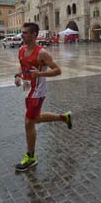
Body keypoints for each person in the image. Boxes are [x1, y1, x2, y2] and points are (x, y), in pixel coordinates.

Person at [14, 22, 72, 172]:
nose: (22, 35)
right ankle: (63, 117)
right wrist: (17, 76)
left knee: (28, 122)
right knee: (36, 118)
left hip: (38, 91)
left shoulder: (42, 53)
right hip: (27, 90)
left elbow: (58, 71)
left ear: (34, 35)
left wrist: (41, 73)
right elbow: (21, 65)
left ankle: (31, 157)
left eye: (25, 33)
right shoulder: (21, 50)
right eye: (22, 32)